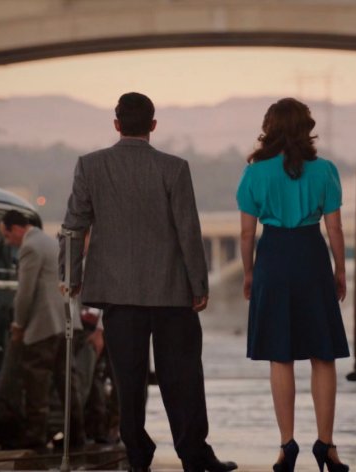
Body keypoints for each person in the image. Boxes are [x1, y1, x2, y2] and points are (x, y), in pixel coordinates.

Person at [60, 92, 237, 472]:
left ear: (116, 124)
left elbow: (74, 227)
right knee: (183, 378)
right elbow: (188, 230)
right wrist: (199, 286)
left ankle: (138, 454)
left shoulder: (90, 166)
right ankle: (194, 454)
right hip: (172, 293)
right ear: (153, 126)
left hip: (118, 295)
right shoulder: (174, 168)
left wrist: (70, 278)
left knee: (128, 380)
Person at [236, 98, 350, 472]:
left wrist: (249, 272)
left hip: (273, 257)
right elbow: (334, 228)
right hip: (311, 256)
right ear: (306, 128)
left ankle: (287, 445)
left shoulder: (254, 174)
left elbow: (246, 233)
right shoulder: (325, 171)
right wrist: (339, 270)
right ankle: (327, 445)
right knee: (323, 354)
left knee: (280, 354)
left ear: (269, 128)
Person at [0, 209, 86, 449]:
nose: (9, 242)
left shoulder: (30, 247)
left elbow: (24, 293)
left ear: (15, 228)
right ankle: (76, 437)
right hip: (68, 323)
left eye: (6, 236)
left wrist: (18, 324)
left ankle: (35, 437)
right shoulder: (50, 241)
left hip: (44, 327)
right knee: (67, 383)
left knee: (36, 382)